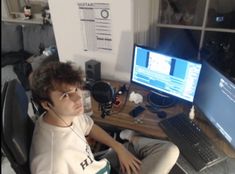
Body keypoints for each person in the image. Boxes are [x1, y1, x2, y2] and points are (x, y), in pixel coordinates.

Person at [29, 61, 179, 174]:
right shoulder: (52, 160)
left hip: (100, 166)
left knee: (170, 149)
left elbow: (90, 126)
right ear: (47, 104)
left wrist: (119, 148)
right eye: (65, 95)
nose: (77, 98)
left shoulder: (65, 114)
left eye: (76, 89)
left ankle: (131, 138)